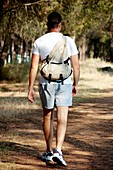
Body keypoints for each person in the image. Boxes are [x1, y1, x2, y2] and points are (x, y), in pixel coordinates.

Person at [28, 11, 80, 167]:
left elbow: (34, 67)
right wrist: (75, 83)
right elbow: (76, 66)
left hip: (46, 82)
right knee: (62, 117)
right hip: (64, 82)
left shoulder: (39, 41)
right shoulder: (68, 41)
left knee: (47, 116)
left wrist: (30, 88)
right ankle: (58, 150)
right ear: (60, 25)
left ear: (47, 24)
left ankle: (49, 151)